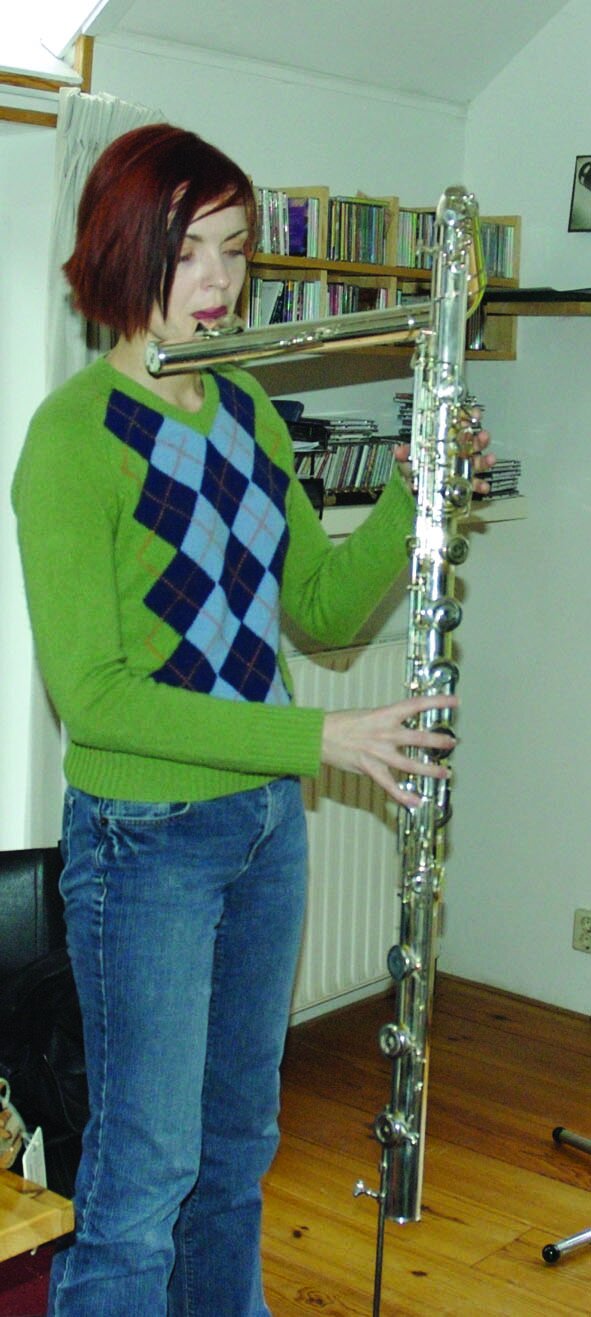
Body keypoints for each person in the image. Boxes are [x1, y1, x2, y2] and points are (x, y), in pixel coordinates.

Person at [11, 123, 493, 1317]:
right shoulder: (70, 440)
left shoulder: (248, 411)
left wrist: (416, 492)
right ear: (123, 252)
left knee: (234, 1156)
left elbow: (320, 609)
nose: (221, 281)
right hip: (145, 847)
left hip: (263, 832)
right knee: (143, 1180)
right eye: (190, 252)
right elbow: (96, 699)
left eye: (235, 250)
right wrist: (320, 741)